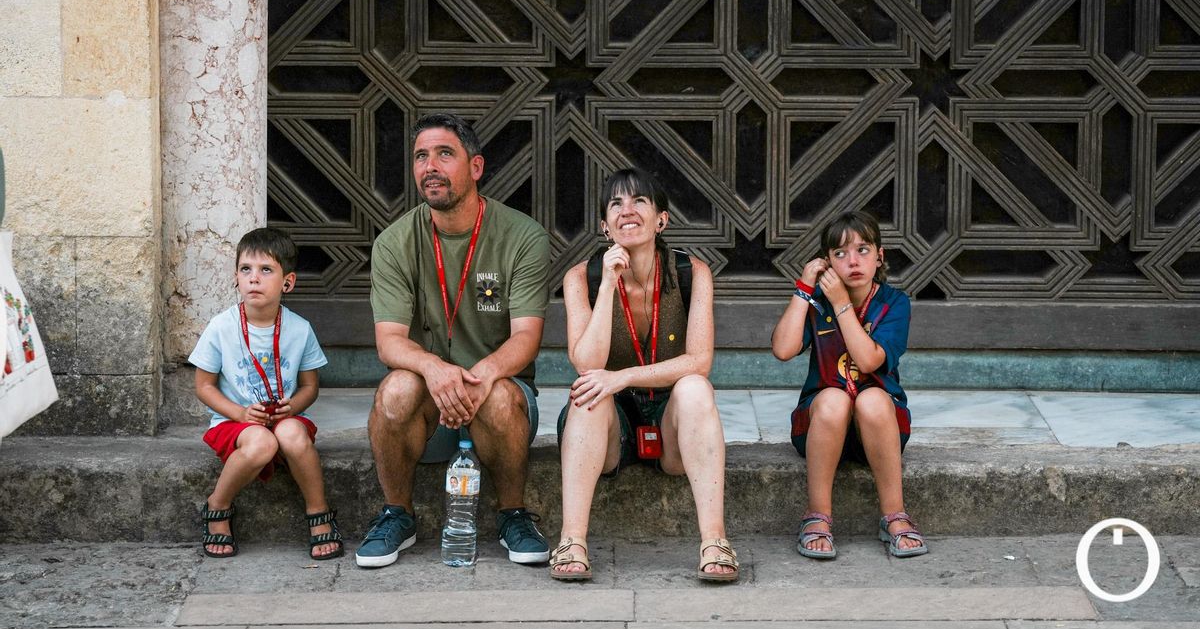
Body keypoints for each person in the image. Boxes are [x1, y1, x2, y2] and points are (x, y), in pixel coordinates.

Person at [356, 113, 552, 568]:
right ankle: (397, 515)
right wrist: (435, 369)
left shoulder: (523, 236)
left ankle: (513, 514)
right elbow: (389, 342)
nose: (431, 166)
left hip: (498, 398)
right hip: (430, 410)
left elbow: (527, 337)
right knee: (395, 389)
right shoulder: (394, 242)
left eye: (445, 154)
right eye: (421, 156)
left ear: (476, 167)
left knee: (500, 397)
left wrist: (478, 377)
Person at [550, 168, 738, 582]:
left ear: (661, 220)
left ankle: (714, 539)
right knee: (587, 391)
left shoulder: (692, 273)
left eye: (639, 201)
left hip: (669, 421)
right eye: (615, 204)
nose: (627, 211)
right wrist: (607, 286)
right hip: (608, 428)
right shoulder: (581, 278)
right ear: (604, 225)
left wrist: (624, 376)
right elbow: (587, 362)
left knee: (695, 387)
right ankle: (572, 539)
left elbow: (699, 360)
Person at [770, 210, 927, 559]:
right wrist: (804, 289)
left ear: (880, 257)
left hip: (880, 427)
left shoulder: (894, 304)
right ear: (826, 263)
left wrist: (842, 304)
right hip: (822, 427)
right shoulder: (818, 304)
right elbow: (782, 349)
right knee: (833, 399)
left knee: (872, 398)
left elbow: (870, 360)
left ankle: (895, 516)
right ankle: (818, 516)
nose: (852, 261)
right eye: (839, 254)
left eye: (863, 250)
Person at [189, 227, 341, 559]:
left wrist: (293, 407)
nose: (254, 279)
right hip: (235, 423)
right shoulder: (221, 327)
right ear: (236, 278)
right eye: (246, 270)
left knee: (291, 434)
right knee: (262, 441)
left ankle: (318, 512)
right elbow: (203, 386)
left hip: (282, 417)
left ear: (288, 282)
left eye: (266, 270)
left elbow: (310, 387)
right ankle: (218, 504)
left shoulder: (299, 329)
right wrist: (241, 414)